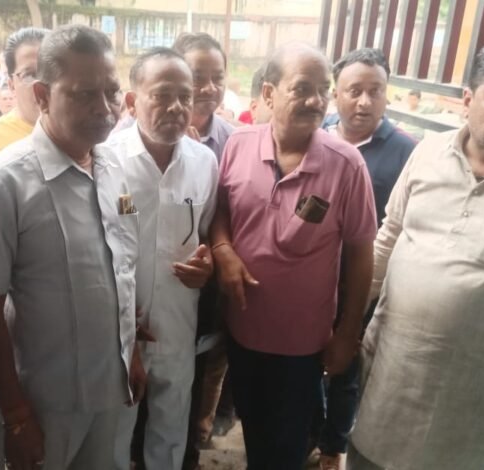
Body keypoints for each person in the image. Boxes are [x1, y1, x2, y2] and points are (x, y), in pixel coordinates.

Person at [349, 34, 484, 470]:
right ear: (468, 99)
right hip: (388, 377)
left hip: (471, 401)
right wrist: (346, 326)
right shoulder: (427, 154)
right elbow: (388, 239)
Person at [0, 24, 146, 470]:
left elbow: (121, 272)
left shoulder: (114, 168)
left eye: (111, 91)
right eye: (84, 94)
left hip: (110, 389)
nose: (105, 108)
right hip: (41, 402)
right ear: (42, 96)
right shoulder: (2, 184)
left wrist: (132, 353)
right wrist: (16, 416)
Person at [210, 42, 377, 469]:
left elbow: (361, 253)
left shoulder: (346, 165)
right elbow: (222, 211)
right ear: (269, 94)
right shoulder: (239, 145)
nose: (316, 101)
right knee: (255, 430)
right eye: (302, 88)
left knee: (287, 445)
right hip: (242, 329)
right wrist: (223, 248)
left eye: (323, 90)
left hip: (302, 345)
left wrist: (347, 334)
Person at [106, 47, 218, 470]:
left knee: (171, 431)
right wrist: (122, 326)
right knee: (115, 432)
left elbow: (205, 231)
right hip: (119, 327)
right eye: (161, 95)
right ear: (132, 101)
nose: (176, 107)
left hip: (177, 323)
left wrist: (207, 264)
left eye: (185, 96)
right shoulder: (106, 160)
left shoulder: (204, 163)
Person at [311, 48, 416, 470]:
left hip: (363, 282)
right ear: (335, 94)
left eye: (376, 91)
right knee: (305, 362)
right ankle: (304, 434)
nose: (365, 101)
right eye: (354, 90)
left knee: (347, 365)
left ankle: (332, 447)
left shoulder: (406, 152)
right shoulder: (314, 136)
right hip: (309, 279)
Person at [171, 32, 237, 468]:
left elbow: (226, 211)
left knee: (195, 381)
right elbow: (123, 210)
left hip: (206, 287)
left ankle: (191, 449)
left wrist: (217, 251)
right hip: (147, 289)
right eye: (198, 76)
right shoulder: (126, 140)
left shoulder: (233, 142)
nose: (209, 88)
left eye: (218, 77)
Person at [0, 27, 48, 155]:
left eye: (55, 73)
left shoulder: (84, 133)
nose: (44, 84)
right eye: (30, 75)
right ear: (12, 85)